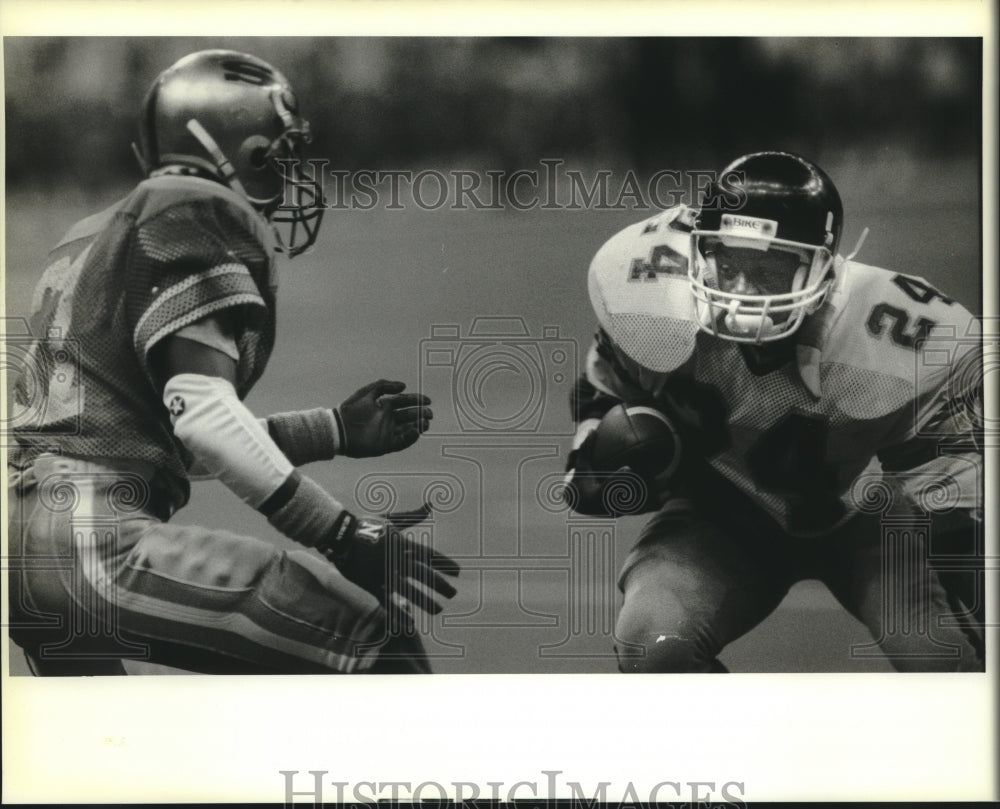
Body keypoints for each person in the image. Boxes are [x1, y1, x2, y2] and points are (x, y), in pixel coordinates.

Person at [7, 49, 459, 676]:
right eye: (279, 151)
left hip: (30, 542)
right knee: (377, 646)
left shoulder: (89, 234)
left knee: (104, 761)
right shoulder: (194, 212)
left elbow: (149, 440)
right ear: (244, 152)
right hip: (92, 540)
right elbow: (204, 416)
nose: (290, 170)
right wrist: (342, 534)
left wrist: (330, 430)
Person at [563, 151, 983, 672]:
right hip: (723, 513)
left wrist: (965, 566)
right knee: (653, 639)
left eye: (768, 269)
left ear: (825, 271)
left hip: (866, 515)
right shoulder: (653, 303)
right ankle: (738, 751)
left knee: (946, 661)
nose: (741, 290)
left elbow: (956, 495)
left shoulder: (892, 338)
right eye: (729, 263)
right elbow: (607, 385)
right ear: (698, 253)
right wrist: (593, 458)